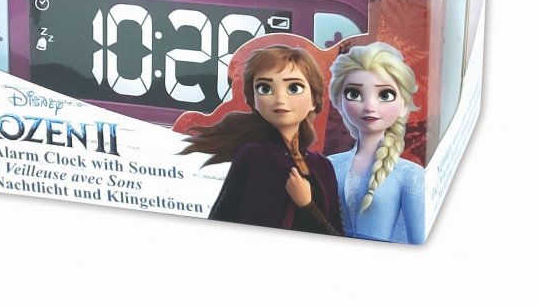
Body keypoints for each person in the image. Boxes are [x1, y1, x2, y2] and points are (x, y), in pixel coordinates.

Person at [182, 44, 342, 234]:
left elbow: (336, 235)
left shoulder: (323, 166)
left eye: (294, 88)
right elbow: (222, 216)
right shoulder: (255, 155)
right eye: (265, 88)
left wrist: (307, 205)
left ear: (314, 99)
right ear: (254, 100)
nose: (279, 99)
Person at [327, 42, 425, 243]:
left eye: (385, 95)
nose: (370, 106)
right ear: (339, 102)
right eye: (354, 94)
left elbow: (418, 241)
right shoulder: (329, 165)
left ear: (404, 105)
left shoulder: (410, 174)